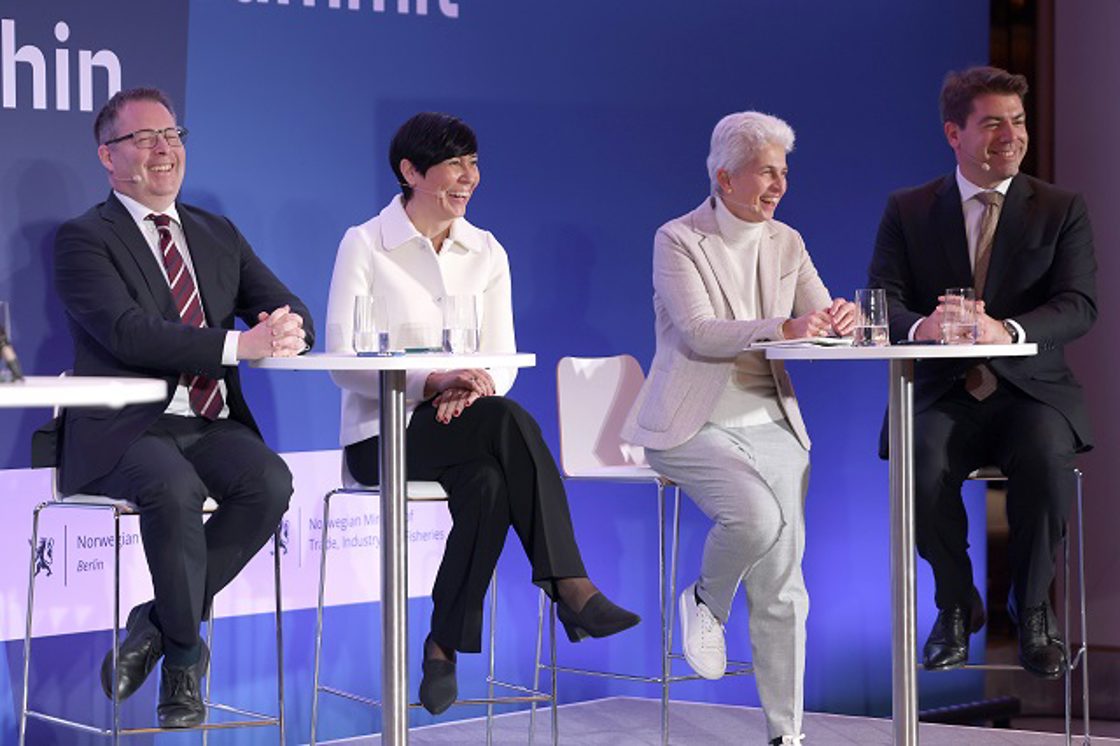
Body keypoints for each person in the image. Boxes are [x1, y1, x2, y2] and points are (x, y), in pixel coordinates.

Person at [324, 111, 640, 716]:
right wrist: (434, 381)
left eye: (473, 163)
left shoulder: (487, 250)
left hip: (467, 426)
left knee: (491, 481)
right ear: (410, 171)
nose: (468, 176)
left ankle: (443, 646)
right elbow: (343, 363)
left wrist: (473, 386)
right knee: (508, 421)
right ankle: (568, 584)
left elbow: (504, 356)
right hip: (383, 436)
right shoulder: (364, 244)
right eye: (453, 164)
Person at [52, 87, 312, 727]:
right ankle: (185, 664)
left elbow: (287, 306)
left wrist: (288, 329)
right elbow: (127, 332)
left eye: (171, 135)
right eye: (144, 138)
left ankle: (155, 623)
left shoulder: (216, 233)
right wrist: (237, 345)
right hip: (126, 428)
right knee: (172, 486)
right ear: (107, 156)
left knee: (270, 482)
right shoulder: (84, 238)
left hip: (209, 421)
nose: (164, 149)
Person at [623, 111, 855, 746]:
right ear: (725, 177)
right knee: (754, 518)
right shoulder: (678, 238)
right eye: (766, 172)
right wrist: (783, 327)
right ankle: (707, 601)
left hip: (772, 420)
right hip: (689, 422)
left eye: (784, 172)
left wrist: (839, 320)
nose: (779, 185)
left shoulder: (787, 242)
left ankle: (787, 734)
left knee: (783, 584)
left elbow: (817, 314)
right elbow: (699, 331)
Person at [868, 66, 1097, 678]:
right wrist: (924, 326)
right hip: (944, 390)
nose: (1011, 136)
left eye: (1017, 121)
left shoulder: (1060, 208)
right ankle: (955, 604)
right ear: (954, 133)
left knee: (1045, 458)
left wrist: (1008, 331)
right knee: (919, 460)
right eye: (993, 123)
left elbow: (1079, 304)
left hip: (1030, 391)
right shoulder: (909, 209)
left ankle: (1033, 609)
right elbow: (883, 301)